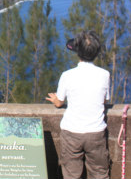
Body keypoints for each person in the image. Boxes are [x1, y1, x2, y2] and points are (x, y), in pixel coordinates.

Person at [46, 30, 110, 179]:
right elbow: (104, 100)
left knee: (71, 173)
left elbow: (60, 102)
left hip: (71, 131)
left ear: (77, 52)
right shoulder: (104, 75)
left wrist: (55, 99)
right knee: (99, 172)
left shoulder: (67, 75)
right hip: (96, 132)